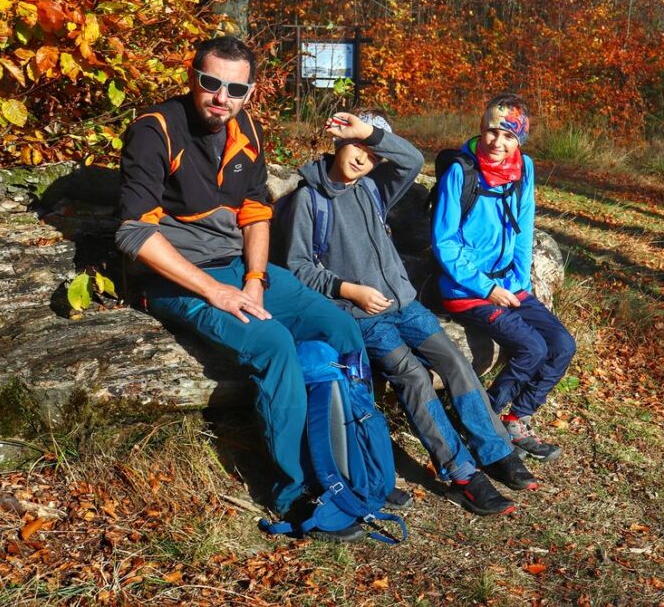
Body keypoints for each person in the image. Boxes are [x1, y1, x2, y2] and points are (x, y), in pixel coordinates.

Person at [116, 36, 392, 542]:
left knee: (340, 326)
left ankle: (355, 461)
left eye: (235, 88)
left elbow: (256, 214)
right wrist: (216, 292)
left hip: (238, 269)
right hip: (174, 277)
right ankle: (294, 489)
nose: (221, 97)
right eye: (211, 83)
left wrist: (255, 279)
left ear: (251, 92)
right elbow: (135, 234)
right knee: (274, 344)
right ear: (192, 76)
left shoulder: (246, 129)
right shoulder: (154, 131)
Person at [273, 110, 538, 516]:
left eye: (373, 154)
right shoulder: (309, 200)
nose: (364, 159)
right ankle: (462, 473)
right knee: (413, 377)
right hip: (361, 316)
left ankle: (495, 449)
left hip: (406, 305)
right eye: (357, 147)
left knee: (454, 363)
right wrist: (349, 290)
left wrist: (369, 134)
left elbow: (413, 159)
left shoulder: (373, 189)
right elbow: (297, 268)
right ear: (339, 141)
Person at [432, 93, 576, 461]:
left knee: (562, 344)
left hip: (509, 284)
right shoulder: (461, 172)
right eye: (492, 131)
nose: (498, 142)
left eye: (509, 135)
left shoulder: (523, 168)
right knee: (532, 347)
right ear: (482, 129)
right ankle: (484, 423)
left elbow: (524, 229)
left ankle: (517, 416)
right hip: (465, 289)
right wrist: (487, 287)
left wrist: (519, 283)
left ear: (519, 140)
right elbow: (444, 243)